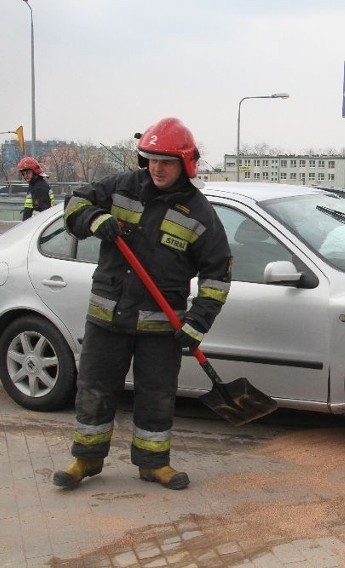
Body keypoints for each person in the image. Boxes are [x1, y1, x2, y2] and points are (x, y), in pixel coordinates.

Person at [54, 117, 233, 490]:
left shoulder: (199, 214)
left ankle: (153, 463)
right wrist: (93, 218)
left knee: (156, 396)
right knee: (94, 389)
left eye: (166, 161)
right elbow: (73, 205)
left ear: (185, 164)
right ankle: (85, 459)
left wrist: (197, 322)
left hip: (160, 329)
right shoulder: (120, 188)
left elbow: (218, 273)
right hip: (108, 317)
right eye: (150, 159)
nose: (157, 168)